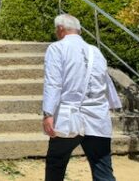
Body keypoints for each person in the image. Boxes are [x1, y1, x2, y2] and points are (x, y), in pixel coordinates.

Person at [42, 14, 122, 181]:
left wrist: (48, 113)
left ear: (60, 29)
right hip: (97, 117)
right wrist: (112, 105)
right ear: (78, 30)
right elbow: (105, 82)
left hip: (68, 116)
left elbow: (54, 82)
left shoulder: (57, 48)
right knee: (102, 166)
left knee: (56, 163)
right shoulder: (96, 51)